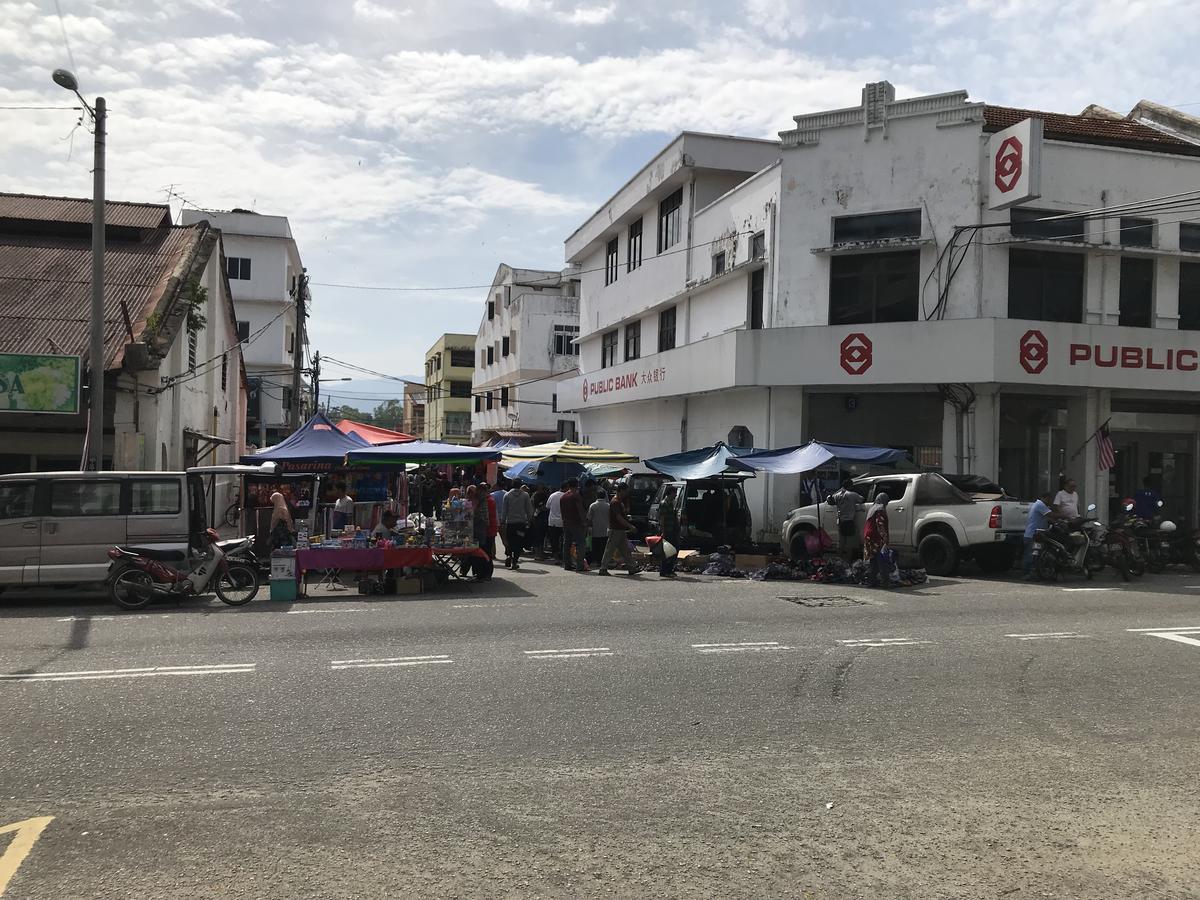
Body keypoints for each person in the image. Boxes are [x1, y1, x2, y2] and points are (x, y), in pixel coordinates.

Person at [599, 483, 639, 576]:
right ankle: (603, 568)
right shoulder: (615, 502)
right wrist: (630, 526)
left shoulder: (620, 501)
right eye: (625, 491)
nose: (627, 493)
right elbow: (618, 517)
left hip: (620, 530)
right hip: (615, 529)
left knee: (625, 550)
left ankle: (632, 567)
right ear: (621, 490)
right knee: (610, 549)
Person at [1022, 490, 1060, 580]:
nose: (1050, 502)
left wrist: (1057, 522)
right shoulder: (1040, 505)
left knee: (1036, 555)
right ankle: (1026, 574)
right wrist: (1065, 516)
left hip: (1037, 534)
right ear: (1045, 498)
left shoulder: (1039, 505)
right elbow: (1051, 514)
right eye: (1050, 499)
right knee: (1030, 555)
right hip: (1032, 534)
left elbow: (1047, 518)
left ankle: (1034, 573)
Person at [826, 479, 865, 560]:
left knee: (842, 542)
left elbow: (830, 500)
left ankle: (839, 559)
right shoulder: (852, 495)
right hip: (849, 521)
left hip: (841, 521)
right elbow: (862, 499)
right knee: (850, 544)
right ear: (850, 486)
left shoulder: (837, 495)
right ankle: (848, 561)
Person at [861, 492, 892, 587]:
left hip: (868, 536)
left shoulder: (873, 508)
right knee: (881, 559)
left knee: (873, 560)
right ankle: (885, 582)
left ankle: (871, 581)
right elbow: (880, 524)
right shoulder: (880, 509)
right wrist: (885, 538)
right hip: (875, 537)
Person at [502, 482, 533, 569]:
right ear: (520, 485)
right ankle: (515, 562)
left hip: (510, 523)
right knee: (519, 542)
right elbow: (529, 509)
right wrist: (530, 520)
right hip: (521, 524)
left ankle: (509, 556)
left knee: (510, 540)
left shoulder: (507, 495)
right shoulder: (525, 495)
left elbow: (504, 510)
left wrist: (503, 521)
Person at [559, 479, 587, 573]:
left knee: (567, 544)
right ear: (577, 485)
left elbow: (562, 511)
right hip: (576, 523)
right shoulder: (576, 495)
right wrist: (584, 522)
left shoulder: (563, 497)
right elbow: (580, 510)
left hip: (566, 523)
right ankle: (580, 565)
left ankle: (567, 564)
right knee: (581, 543)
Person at [657, 485, 680, 578]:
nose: (676, 495)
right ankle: (665, 570)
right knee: (668, 551)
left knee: (674, 550)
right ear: (670, 493)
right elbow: (662, 519)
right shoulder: (664, 504)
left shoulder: (671, 503)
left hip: (673, 530)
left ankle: (669, 569)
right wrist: (663, 532)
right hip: (667, 531)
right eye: (675, 493)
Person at [587, 490, 610, 567]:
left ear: (596, 496)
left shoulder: (592, 505)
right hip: (605, 529)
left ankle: (595, 560)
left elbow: (589, 518)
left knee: (595, 545)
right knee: (603, 546)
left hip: (595, 529)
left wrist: (589, 528)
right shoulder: (608, 506)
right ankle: (602, 561)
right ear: (604, 496)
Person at [546, 482, 566, 561]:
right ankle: (562, 555)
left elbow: (547, 506)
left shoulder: (552, 495)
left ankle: (555, 556)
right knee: (563, 540)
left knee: (554, 540)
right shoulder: (565, 496)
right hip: (562, 522)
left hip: (552, 521)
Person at [530, 485, 550, 558]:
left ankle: (540, 553)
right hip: (538, 517)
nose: (545, 490)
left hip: (540, 517)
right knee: (538, 536)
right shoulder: (537, 495)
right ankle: (537, 554)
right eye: (543, 488)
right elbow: (539, 507)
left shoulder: (541, 495)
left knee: (541, 536)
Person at [483, 482, 500, 560]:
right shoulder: (490, 499)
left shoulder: (489, 500)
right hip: (491, 526)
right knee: (490, 543)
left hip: (488, 527)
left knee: (488, 545)